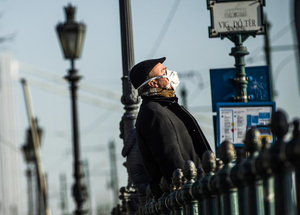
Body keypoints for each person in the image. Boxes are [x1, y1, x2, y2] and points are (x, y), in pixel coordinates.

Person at [129, 57, 212, 200]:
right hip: (190, 196)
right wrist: (191, 187)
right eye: (164, 71)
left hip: (197, 187)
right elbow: (171, 158)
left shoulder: (165, 107)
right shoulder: (153, 112)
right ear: (153, 83)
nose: (170, 74)